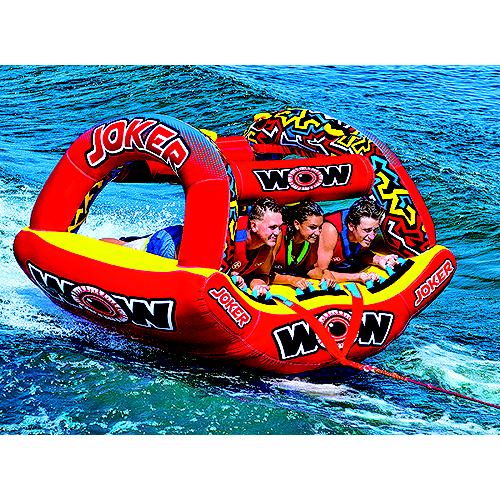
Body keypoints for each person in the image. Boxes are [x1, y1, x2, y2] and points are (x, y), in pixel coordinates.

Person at [309, 197, 399, 284]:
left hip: (342, 261)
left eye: (375, 230)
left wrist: (379, 260)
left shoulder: (363, 229)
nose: (372, 237)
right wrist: (356, 277)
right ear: (351, 226)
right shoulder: (330, 230)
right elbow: (317, 271)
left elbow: (361, 253)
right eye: (367, 230)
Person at [272, 200, 336, 290]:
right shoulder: (279, 235)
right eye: (312, 227)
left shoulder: (310, 240)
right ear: (297, 224)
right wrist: (291, 280)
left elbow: (309, 270)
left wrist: (325, 273)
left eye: (320, 227)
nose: (318, 233)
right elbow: (263, 273)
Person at [229, 197, 283, 297]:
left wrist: (258, 285)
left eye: (279, 227)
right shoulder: (230, 237)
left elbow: (262, 275)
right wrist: (228, 277)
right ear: (254, 226)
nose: (277, 232)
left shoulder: (267, 243)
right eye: (272, 227)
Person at [101, 225, 183, 259]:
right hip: (162, 246)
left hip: (174, 233)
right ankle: (97, 244)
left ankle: (132, 240)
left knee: (141, 241)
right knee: (122, 246)